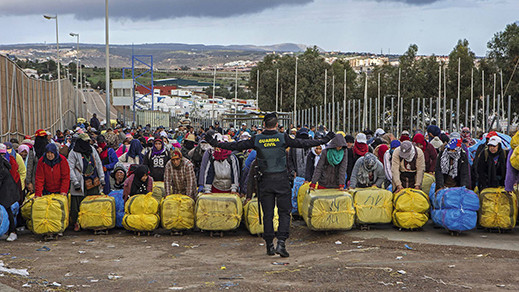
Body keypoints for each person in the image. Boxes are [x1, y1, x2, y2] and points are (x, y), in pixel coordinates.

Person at [206, 113, 334, 257]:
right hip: (281, 180)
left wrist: (215, 143)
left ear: (264, 125)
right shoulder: (282, 138)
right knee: (284, 212)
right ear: (277, 124)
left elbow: (236, 145)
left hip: (264, 181)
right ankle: (281, 243)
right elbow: (303, 143)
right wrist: (325, 139)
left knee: (267, 214)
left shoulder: (257, 139)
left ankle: (269, 245)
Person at [68, 133, 105, 231]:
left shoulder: (92, 149)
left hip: (93, 179)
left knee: (92, 202)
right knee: (77, 204)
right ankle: (77, 222)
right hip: (80, 180)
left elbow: (98, 164)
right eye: (85, 142)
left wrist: (102, 178)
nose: (87, 143)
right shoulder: (73, 152)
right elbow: (70, 168)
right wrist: (75, 182)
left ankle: (91, 221)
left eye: (88, 141)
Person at [0, 144, 20, 241]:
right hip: (6, 189)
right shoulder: (4, 162)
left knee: (8, 210)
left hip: (7, 190)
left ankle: (13, 231)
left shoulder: (2, 164)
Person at [26, 129, 49, 194]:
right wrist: (29, 183)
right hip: (36, 182)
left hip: (49, 183)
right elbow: (29, 168)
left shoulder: (50, 151)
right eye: (40, 138)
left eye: (44, 138)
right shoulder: (33, 152)